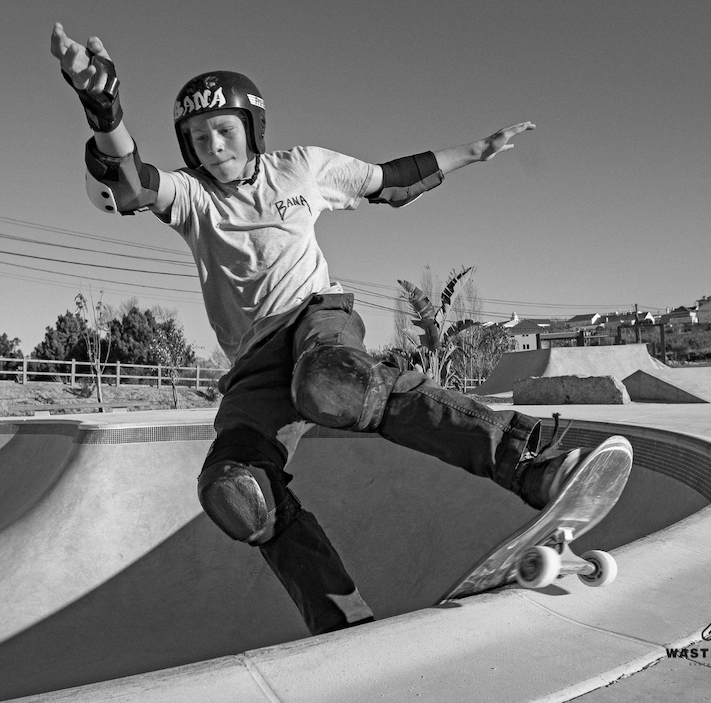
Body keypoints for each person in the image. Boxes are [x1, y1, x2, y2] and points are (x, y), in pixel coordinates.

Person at [51, 23, 595, 635]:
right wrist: (102, 108)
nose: (214, 148)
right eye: (199, 139)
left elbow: (391, 181)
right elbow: (131, 181)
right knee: (237, 493)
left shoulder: (301, 168)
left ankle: (526, 461)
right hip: (254, 366)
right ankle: (342, 626)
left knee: (333, 383)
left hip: (318, 320)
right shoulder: (191, 196)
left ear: (252, 130)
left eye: (225, 132)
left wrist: (473, 151)